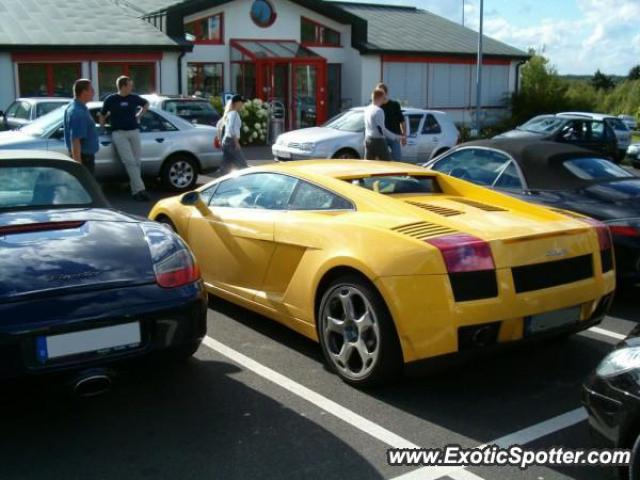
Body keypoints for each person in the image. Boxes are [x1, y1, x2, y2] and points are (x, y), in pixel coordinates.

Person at [99, 76, 150, 201]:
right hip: (119, 134)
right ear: (123, 86)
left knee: (137, 162)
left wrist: (139, 115)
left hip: (134, 131)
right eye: (129, 85)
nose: (131, 87)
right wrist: (102, 127)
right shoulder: (111, 99)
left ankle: (135, 191)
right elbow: (102, 114)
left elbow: (146, 104)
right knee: (129, 161)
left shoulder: (133, 98)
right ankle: (141, 190)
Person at [63, 79, 99, 174]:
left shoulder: (77, 107)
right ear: (83, 92)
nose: (94, 92)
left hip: (85, 156)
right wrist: (78, 167)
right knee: (86, 187)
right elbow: (76, 141)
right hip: (84, 158)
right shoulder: (78, 112)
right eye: (91, 90)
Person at [364, 88, 402, 161]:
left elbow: (366, 127)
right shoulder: (379, 111)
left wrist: (365, 140)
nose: (385, 99)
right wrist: (396, 137)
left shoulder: (367, 109)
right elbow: (382, 131)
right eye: (384, 98)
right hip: (378, 140)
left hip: (368, 139)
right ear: (380, 98)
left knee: (368, 163)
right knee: (387, 163)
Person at [218, 94, 249, 176]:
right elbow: (231, 128)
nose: (242, 104)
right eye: (241, 102)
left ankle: (221, 182)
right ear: (236, 103)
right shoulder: (234, 113)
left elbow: (219, 126)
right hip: (232, 141)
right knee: (242, 165)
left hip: (226, 141)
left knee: (226, 165)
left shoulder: (229, 113)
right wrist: (236, 142)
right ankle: (248, 182)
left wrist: (220, 140)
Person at [377, 83, 406, 161]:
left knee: (397, 159)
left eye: (381, 93)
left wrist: (404, 136)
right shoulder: (377, 107)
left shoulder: (395, 105)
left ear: (386, 93)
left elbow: (402, 121)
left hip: (394, 136)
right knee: (383, 160)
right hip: (382, 137)